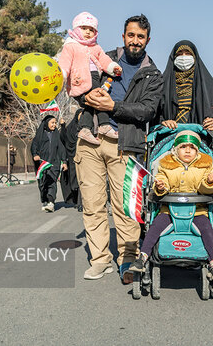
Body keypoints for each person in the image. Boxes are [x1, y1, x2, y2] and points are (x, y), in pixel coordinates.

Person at [75, 14, 162, 282]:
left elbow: (147, 110)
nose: (135, 41)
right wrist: (84, 96)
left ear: (148, 40)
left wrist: (114, 107)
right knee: (92, 204)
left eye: (140, 37)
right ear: (123, 36)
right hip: (89, 139)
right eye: (131, 35)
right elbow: (77, 81)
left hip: (124, 144)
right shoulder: (102, 56)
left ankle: (127, 258)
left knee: (125, 207)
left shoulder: (153, 75)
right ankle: (100, 259)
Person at [129, 130, 213, 281]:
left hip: (197, 211)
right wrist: (160, 187)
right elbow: (162, 180)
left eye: (192, 147)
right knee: (154, 227)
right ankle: (142, 257)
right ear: (175, 149)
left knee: (207, 230)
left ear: (197, 150)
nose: (188, 150)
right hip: (169, 210)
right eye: (183, 147)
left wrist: (209, 181)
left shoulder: (206, 165)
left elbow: (204, 189)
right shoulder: (166, 164)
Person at [56, 12, 122, 145]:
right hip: (80, 79)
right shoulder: (71, 45)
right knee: (98, 100)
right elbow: (65, 62)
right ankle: (104, 125)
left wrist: (112, 67)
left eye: (91, 30)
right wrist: (62, 74)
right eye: (84, 28)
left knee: (91, 104)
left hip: (94, 77)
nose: (88, 32)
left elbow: (103, 59)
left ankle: (85, 128)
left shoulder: (95, 47)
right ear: (76, 29)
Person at [155, 40, 213, 151]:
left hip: (200, 144)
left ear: (194, 57)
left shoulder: (209, 85)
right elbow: (153, 112)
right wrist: (163, 122)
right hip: (170, 143)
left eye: (188, 54)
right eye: (179, 54)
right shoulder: (163, 83)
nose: (184, 58)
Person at [30, 115, 67, 212]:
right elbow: (34, 145)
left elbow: (61, 148)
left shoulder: (56, 134)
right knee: (42, 183)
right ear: (47, 123)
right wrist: (35, 154)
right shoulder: (40, 134)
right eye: (52, 123)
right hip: (42, 163)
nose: (54, 125)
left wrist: (64, 162)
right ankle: (45, 200)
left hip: (54, 163)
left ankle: (51, 202)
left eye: (55, 123)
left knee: (52, 182)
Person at [59, 109, 83, 210]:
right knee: (74, 180)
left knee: (81, 180)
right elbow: (64, 138)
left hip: (83, 157)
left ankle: (81, 203)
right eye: (80, 115)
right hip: (72, 158)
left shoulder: (85, 128)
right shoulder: (71, 127)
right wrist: (63, 126)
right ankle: (75, 200)